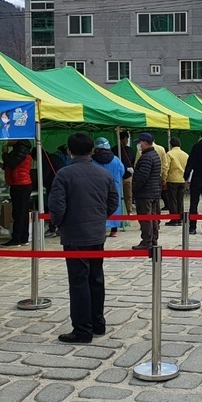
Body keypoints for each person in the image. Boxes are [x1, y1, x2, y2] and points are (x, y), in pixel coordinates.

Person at [50, 132, 120, 343]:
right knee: (96, 279)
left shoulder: (64, 174)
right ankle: (98, 322)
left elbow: (57, 206)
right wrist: (100, 218)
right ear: (92, 151)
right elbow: (113, 201)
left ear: (70, 151)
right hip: (96, 234)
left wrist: (60, 223)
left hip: (74, 236)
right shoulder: (104, 174)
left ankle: (82, 329)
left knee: (79, 282)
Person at [0, 138, 33, 246]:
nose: (7, 139)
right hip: (21, 183)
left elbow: (12, 163)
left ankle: (17, 238)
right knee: (22, 211)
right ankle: (23, 237)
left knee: (18, 212)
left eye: (10, 138)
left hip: (20, 184)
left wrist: (4, 154)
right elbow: (14, 165)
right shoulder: (22, 149)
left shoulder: (20, 149)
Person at [132, 132, 162, 250]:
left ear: (144, 143)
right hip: (154, 191)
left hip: (145, 193)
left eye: (139, 143)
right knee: (153, 217)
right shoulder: (154, 155)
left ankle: (147, 240)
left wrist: (135, 188)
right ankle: (153, 239)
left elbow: (142, 177)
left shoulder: (146, 157)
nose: (139, 145)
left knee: (145, 218)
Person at [92, 137, 125, 237]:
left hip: (97, 188)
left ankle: (100, 229)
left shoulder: (92, 161)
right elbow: (122, 172)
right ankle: (114, 230)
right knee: (114, 206)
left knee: (98, 207)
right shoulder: (116, 160)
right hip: (114, 187)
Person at [165, 137, 189, 225]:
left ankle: (174, 219)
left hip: (172, 179)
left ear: (171, 145)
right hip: (182, 180)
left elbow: (166, 167)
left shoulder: (169, 154)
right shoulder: (185, 154)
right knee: (180, 200)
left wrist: (164, 177)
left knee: (172, 200)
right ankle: (181, 218)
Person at [118, 131, 135, 216]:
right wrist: (126, 168)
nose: (126, 140)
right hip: (118, 177)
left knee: (128, 195)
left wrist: (132, 168)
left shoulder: (130, 150)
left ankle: (129, 211)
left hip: (128, 177)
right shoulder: (115, 150)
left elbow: (133, 161)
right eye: (126, 138)